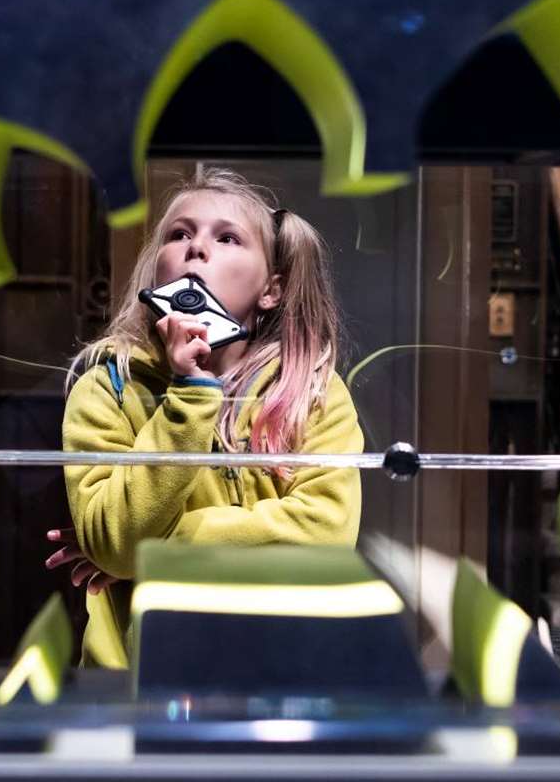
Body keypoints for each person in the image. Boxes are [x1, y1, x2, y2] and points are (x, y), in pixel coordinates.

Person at [44, 167, 364, 668]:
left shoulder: (312, 392)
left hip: (277, 672)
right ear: (156, 272)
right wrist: (190, 394)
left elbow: (325, 537)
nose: (196, 247)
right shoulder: (108, 389)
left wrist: (159, 550)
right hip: (137, 680)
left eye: (227, 238)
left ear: (271, 290)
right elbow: (117, 545)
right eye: (179, 234)